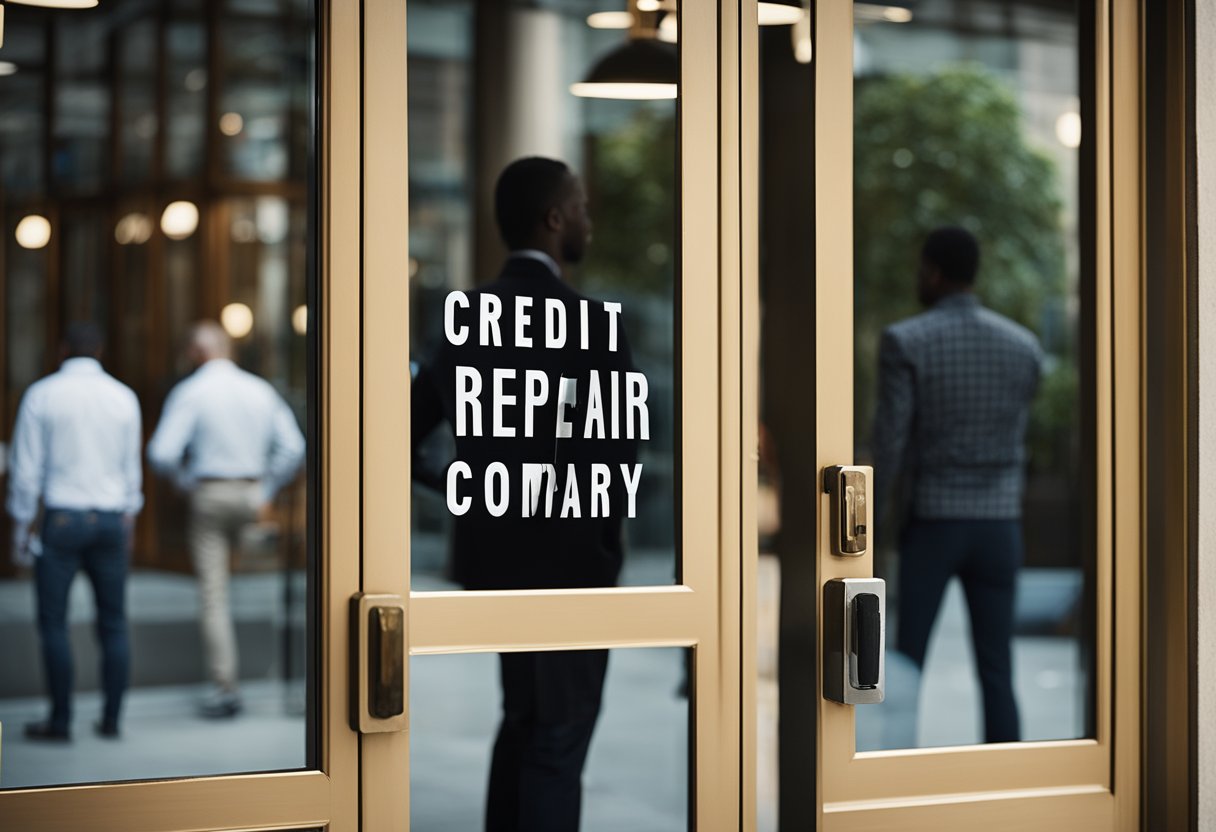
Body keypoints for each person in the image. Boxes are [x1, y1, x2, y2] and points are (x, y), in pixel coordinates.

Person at [412, 157, 638, 831]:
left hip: (499, 566)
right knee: (557, 739)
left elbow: (402, 433)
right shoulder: (594, 324)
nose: (589, 223)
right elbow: (616, 455)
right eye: (583, 209)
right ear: (555, 218)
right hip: (570, 568)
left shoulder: (468, 318)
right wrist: (604, 555)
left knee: (524, 720)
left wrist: (477, 492)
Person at [872, 226, 1043, 744]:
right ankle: (1006, 780)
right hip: (999, 526)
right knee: (997, 668)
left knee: (907, 663)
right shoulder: (1025, 346)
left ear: (932, 272)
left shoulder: (906, 340)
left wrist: (869, 520)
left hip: (934, 523)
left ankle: (893, 776)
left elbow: (891, 441)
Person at [147, 321, 305, 718]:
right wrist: (265, 489)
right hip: (253, 494)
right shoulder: (259, 389)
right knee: (268, 587)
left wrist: (186, 482)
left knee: (214, 596)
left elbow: (162, 453)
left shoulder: (191, 391)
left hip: (211, 493)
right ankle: (280, 679)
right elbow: (293, 447)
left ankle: (227, 687)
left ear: (195, 353)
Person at [6, 322, 143, 741]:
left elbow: (25, 471)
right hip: (109, 519)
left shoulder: (42, 394)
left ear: (62, 348)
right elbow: (129, 468)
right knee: (114, 623)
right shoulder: (123, 396)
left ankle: (61, 720)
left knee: (53, 623)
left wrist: (19, 526)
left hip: (62, 518)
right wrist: (130, 519)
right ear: (100, 350)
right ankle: (112, 719)